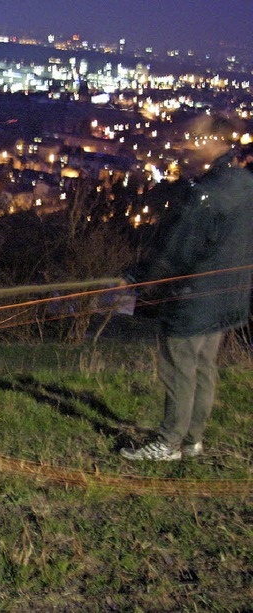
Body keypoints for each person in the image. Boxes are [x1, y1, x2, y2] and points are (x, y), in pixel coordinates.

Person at [120, 121, 253, 461]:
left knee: (178, 368)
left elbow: (177, 251)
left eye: (195, 139)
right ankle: (193, 440)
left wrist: (141, 279)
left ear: (216, 142)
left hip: (195, 297)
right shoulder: (245, 183)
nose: (187, 146)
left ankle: (168, 443)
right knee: (205, 366)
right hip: (229, 296)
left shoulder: (206, 193)